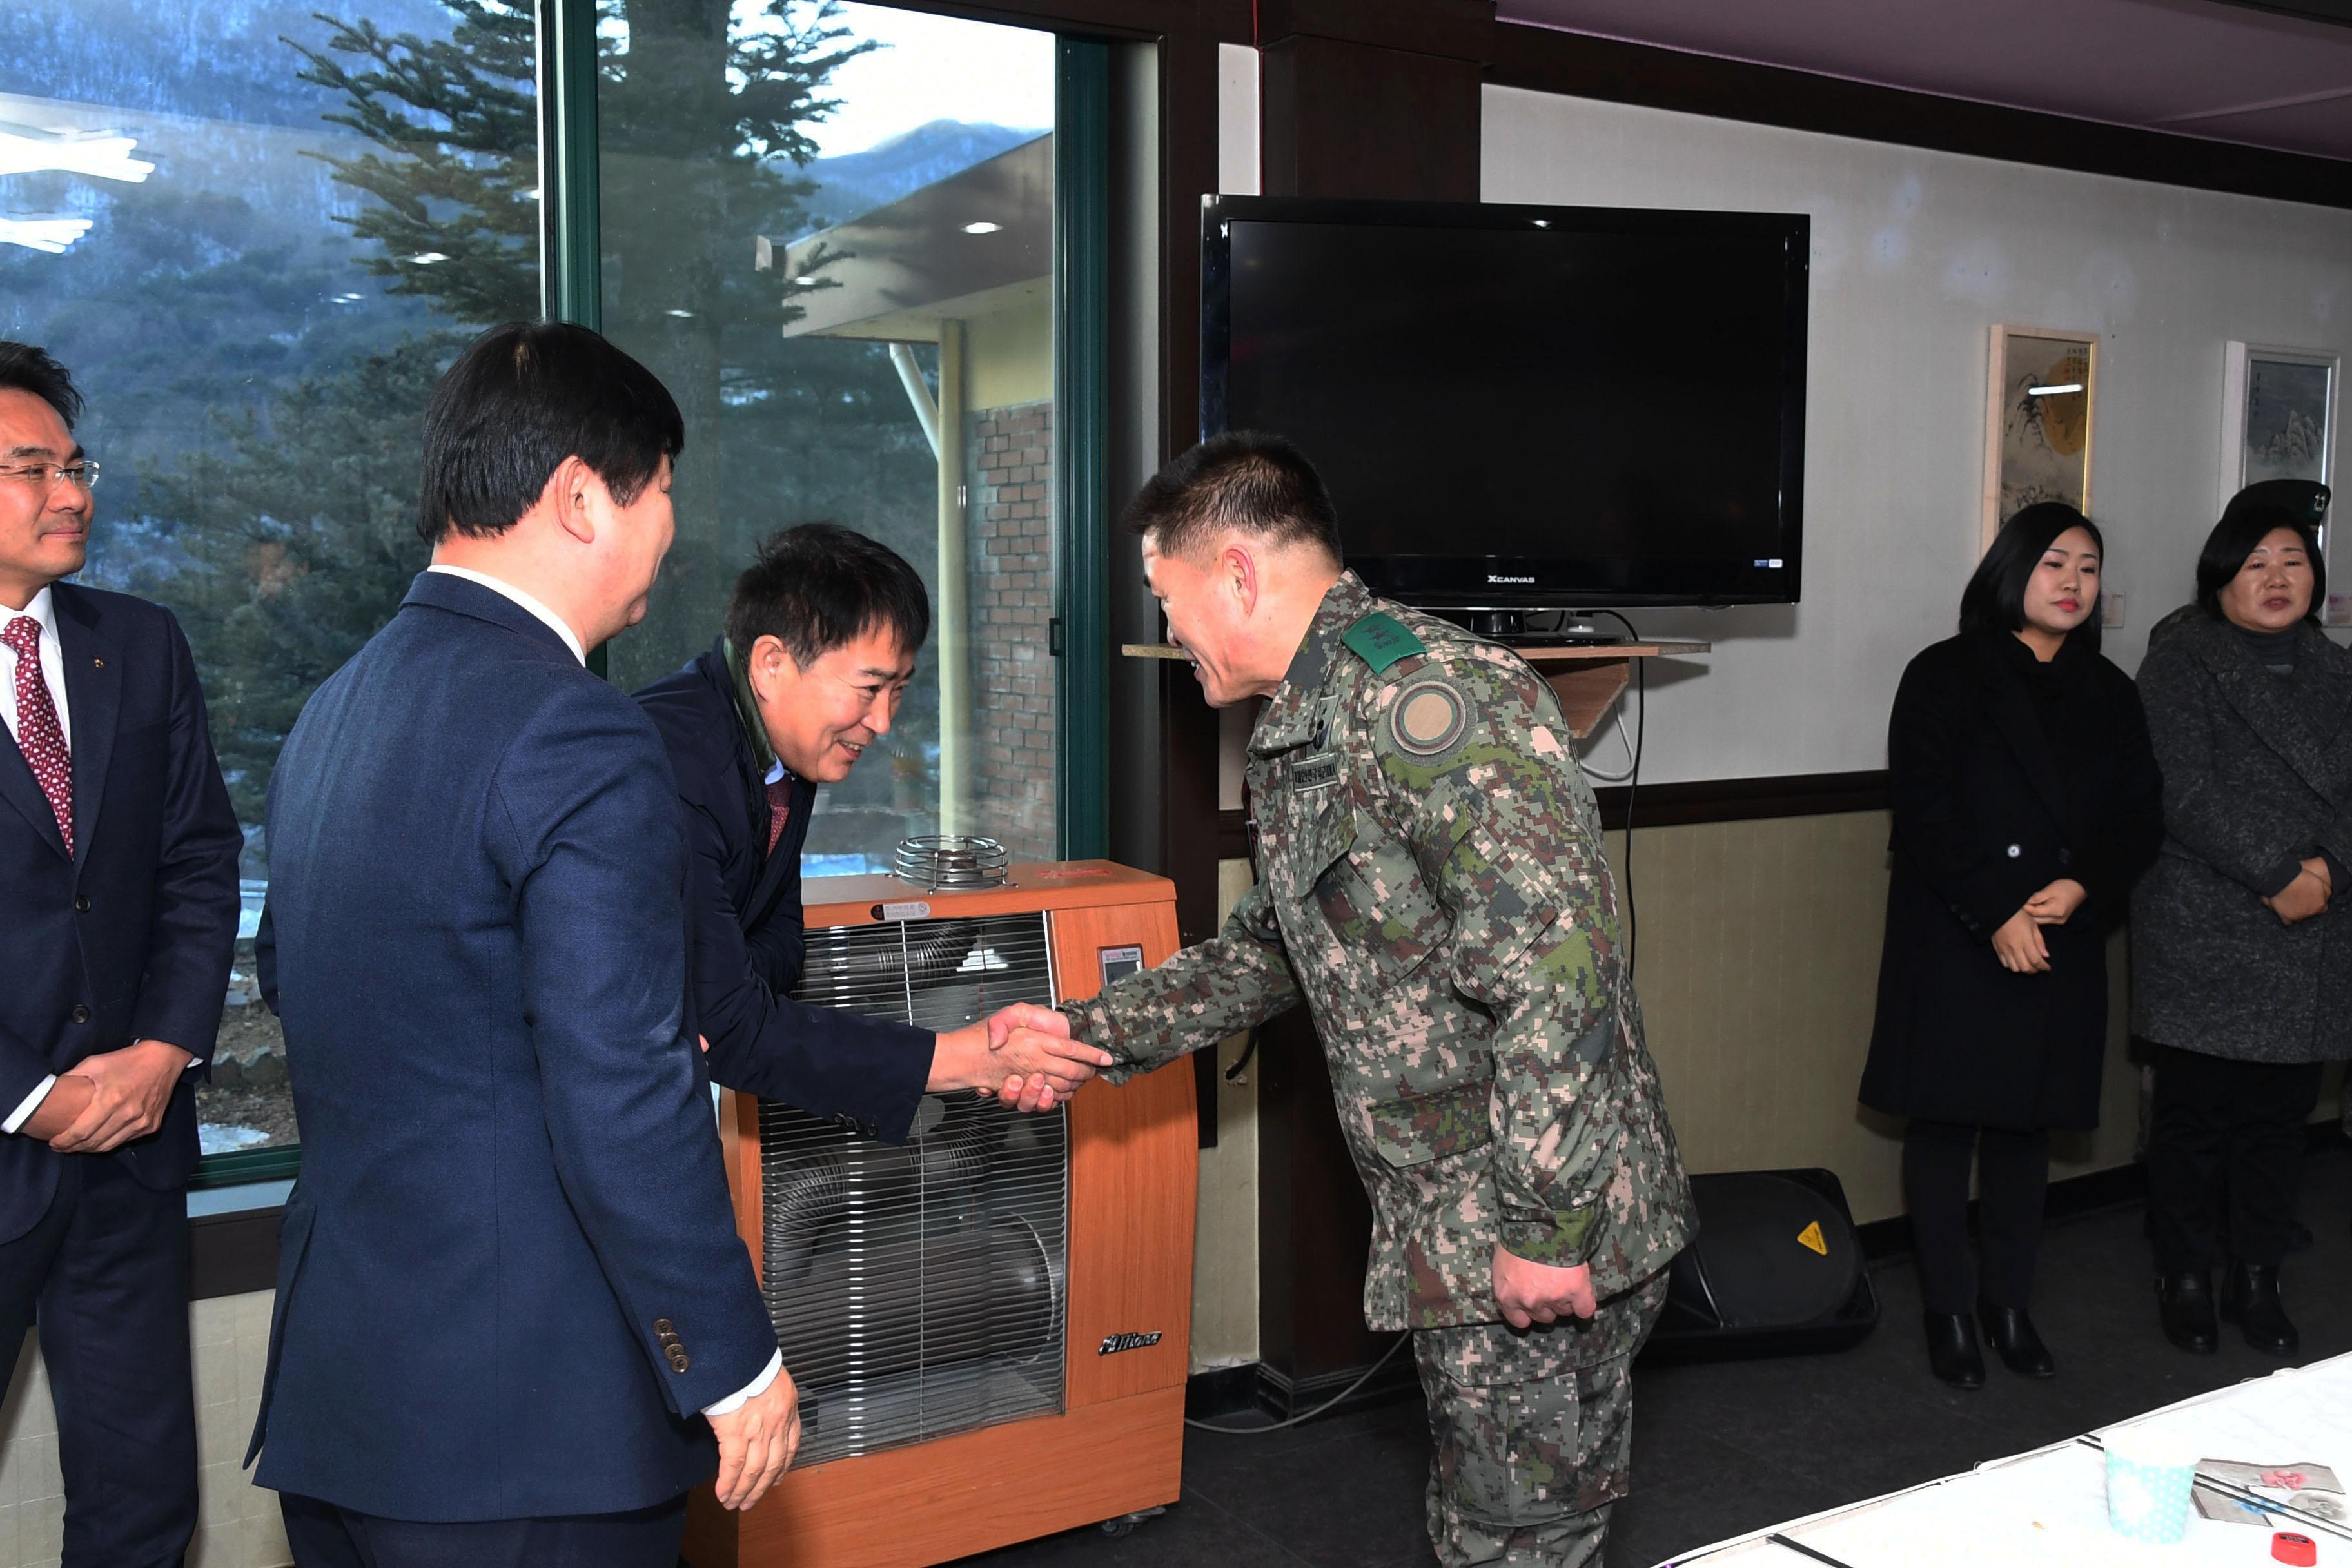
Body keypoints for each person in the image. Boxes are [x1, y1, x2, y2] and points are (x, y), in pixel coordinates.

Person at [1001, 431, 1693, 1568]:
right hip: (1465, 1226)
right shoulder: (1312, 720)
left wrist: (1544, 1228)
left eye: (1165, 598)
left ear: (1233, 572)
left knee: (1516, 1541)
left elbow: (1556, 967)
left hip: (1528, 1223)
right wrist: (1084, 1034)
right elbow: (1276, 946)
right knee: (1492, 1523)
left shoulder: (1433, 700)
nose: (1168, 630)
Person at [250, 322, 798, 1567]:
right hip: (526, 1429)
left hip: (347, 1399)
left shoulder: (331, 713)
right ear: (579, 497)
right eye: (662, 488)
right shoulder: (577, 733)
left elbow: (297, 977)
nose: (670, 524)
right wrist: (731, 1355)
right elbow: (620, 1080)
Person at [0, 342, 242, 1568]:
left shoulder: (139, 643)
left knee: (143, 1504)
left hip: (130, 1150)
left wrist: (160, 1051)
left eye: (76, 464)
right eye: (32, 467)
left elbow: (201, 861)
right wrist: (31, 1096)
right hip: (11, 1130)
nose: (74, 493)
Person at [633, 522, 1108, 1141]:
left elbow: (782, 939)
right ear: (772, 663)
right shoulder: (675, 761)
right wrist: (972, 1057)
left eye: (899, 692)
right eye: (869, 689)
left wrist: (721, 989)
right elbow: (734, 1023)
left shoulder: (783, 749)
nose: (883, 723)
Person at [1857, 503, 2162, 1388]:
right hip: (1961, 933)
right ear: (2011, 572)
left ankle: (2010, 1305)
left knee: (2028, 1133)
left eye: (2090, 568)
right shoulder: (1946, 673)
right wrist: (1997, 911)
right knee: (1947, 1126)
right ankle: (1951, 1311)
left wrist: (2082, 889)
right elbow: (1925, 811)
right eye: (2055, 563)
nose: (2073, 583)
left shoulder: (2111, 691)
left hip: (2061, 930)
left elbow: (2139, 817)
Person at [2132, 478, 2348, 1358]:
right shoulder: (2181, 664)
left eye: (2293, 561)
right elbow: (2182, 788)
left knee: (2277, 1122)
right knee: (2195, 1119)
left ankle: (2257, 1273)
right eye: (2256, 563)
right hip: (2208, 921)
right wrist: (2273, 874)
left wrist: (2329, 870)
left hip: (2317, 921)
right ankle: (2184, 1273)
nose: (2277, 578)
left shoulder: (2341, 670)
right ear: (2220, 579)